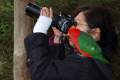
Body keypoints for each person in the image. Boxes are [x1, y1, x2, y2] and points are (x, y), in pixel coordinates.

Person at [24, 5, 118, 80]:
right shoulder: (97, 64)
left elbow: (41, 74)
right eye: (71, 23)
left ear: (95, 33)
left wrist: (39, 31)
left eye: (76, 24)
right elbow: (56, 71)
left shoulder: (84, 65)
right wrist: (58, 39)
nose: (71, 28)